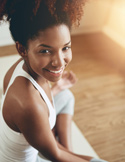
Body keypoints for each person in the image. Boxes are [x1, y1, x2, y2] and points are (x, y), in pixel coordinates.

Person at [0, 0, 108, 162]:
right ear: (22, 49)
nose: (59, 62)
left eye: (65, 47)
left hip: (36, 139)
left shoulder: (22, 65)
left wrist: (58, 87)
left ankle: (66, 148)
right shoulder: (28, 105)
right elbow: (53, 154)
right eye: (45, 51)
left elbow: (40, 100)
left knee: (66, 96)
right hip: (34, 158)